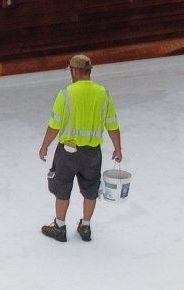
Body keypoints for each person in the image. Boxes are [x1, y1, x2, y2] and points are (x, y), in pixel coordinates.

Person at [37, 54, 123, 241]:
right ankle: (85, 227)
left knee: (62, 187)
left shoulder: (66, 94)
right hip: (92, 153)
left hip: (67, 152)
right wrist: (118, 149)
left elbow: (54, 125)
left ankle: (59, 227)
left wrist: (44, 146)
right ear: (89, 71)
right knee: (91, 189)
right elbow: (112, 125)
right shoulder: (104, 93)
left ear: (74, 70)